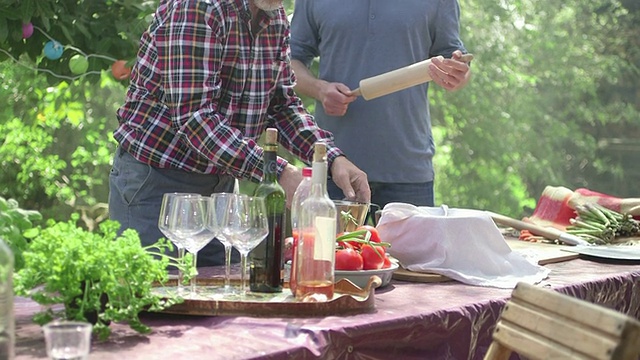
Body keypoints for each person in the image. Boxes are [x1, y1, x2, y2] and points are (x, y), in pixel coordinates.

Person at [108, 0, 370, 267]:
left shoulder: (275, 17)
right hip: (156, 186)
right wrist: (275, 170)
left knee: (218, 300)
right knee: (153, 300)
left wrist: (331, 157)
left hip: (220, 189)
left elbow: (282, 106)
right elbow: (195, 119)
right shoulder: (200, 7)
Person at [290, 0, 471, 210]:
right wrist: (319, 89)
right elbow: (290, 61)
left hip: (407, 174)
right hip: (333, 169)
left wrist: (458, 74)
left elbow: (457, 62)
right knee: (326, 245)